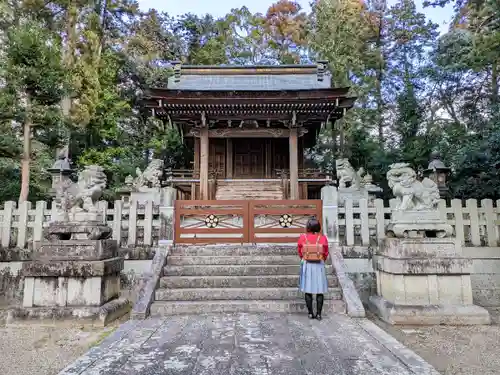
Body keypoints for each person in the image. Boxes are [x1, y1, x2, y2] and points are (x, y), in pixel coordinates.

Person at [297, 217, 329, 320]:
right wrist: (322, 258)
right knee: (320, 290)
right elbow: (326, 251)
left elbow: (299, 250)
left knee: (308, 289)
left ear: (308, 227)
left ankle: (310, 313)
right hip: (319, 264)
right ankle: (319, 314)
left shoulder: (303, 237)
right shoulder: (322, 238)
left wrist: (304, 258)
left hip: (307, 264)